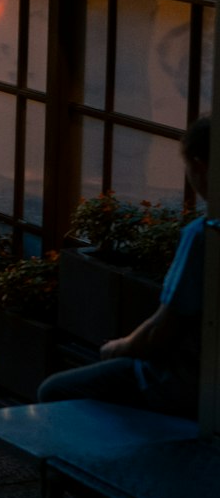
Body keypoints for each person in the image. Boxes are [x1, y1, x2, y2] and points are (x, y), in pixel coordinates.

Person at [38, 115, 210, 423]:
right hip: (202, 379)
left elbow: (162, 330)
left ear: (200, 166)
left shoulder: (203, 235)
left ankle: (94, 469)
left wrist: (119, 347)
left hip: (185, 384)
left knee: (54, 392)